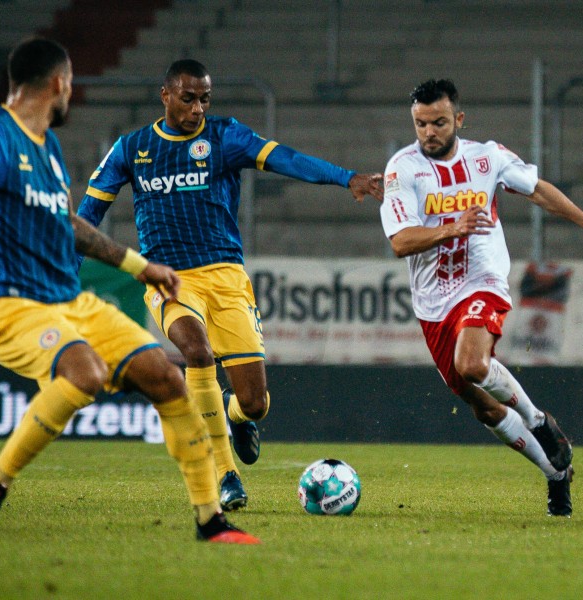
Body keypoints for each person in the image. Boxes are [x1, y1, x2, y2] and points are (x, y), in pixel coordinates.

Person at [0, 38, 258, 543]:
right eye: (71, 82)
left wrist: (138, 265)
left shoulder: (48, 149)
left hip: (68, 302)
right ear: (59, 83)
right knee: (85, 371)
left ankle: (210, 520)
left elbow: (70, 226)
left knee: (165, 377)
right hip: (10, 301)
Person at [77, 59, 384, 511]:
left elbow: (286, 159)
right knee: (196, 352)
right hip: (171, 280)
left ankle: (236, 415)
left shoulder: (225, 136)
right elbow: (87, 216)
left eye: (205, 98)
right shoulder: (132, 148)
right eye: (188, 98)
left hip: (227, 279)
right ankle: (225, 475)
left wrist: (346, 179)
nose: (198, 108)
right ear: (165, 96)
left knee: (255, 402)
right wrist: (62, 273)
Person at [380, 79, 583, 517]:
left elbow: (537, 189)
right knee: (481, 406)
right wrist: (451, 228)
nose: (429, 132)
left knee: (473, 365)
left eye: (439, 122)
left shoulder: (487, 157)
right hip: (432, 301)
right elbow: (401, 242)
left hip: (483, 279)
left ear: (458, 120)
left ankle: (539, 422)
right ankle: (556, 474)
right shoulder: (401, 169)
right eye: (421, 124)